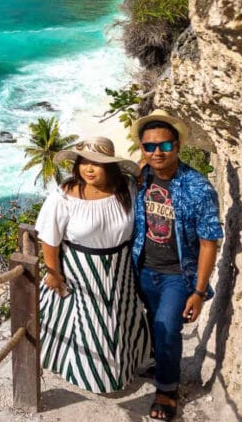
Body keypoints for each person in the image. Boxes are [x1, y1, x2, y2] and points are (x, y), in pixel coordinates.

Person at [35, 137, 151, 393]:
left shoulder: (127, 189)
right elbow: (49, 238)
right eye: (84, 163)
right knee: (92, 325)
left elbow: (146, 172)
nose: (88, 169)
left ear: (109, 167)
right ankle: (93, 378)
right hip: (82, 270)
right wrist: (53, 273)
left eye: (96, 164)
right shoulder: (64, 197)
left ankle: (123, 369)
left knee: (122, 320)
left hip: (121, 269)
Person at [131, 109, 223, 421]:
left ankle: (167, 390)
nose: (158, 152)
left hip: (176, 273)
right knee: (152, 320)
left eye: (165, 146)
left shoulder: (198, 187)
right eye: (150, 147)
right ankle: (160, 362)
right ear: (142, 149)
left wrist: (198, 291)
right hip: (141, 267)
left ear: (178, 146)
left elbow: (210, 242)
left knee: (168, 325)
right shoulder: (140, 178)